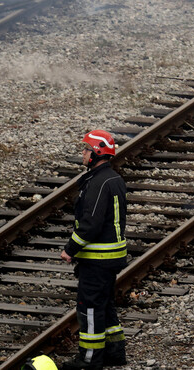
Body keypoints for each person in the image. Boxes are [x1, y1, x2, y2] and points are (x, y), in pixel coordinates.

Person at [59, 130, 128, 370]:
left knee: (88, 307)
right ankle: (115, 351)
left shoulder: (98, 183)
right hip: (111, 257)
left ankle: (89, 359)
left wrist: (71, 248)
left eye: (86, 149)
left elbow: (91, 223)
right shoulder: (113, 179)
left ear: (97, 152)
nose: (83, 152)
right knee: (104, 304)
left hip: (98, 258)